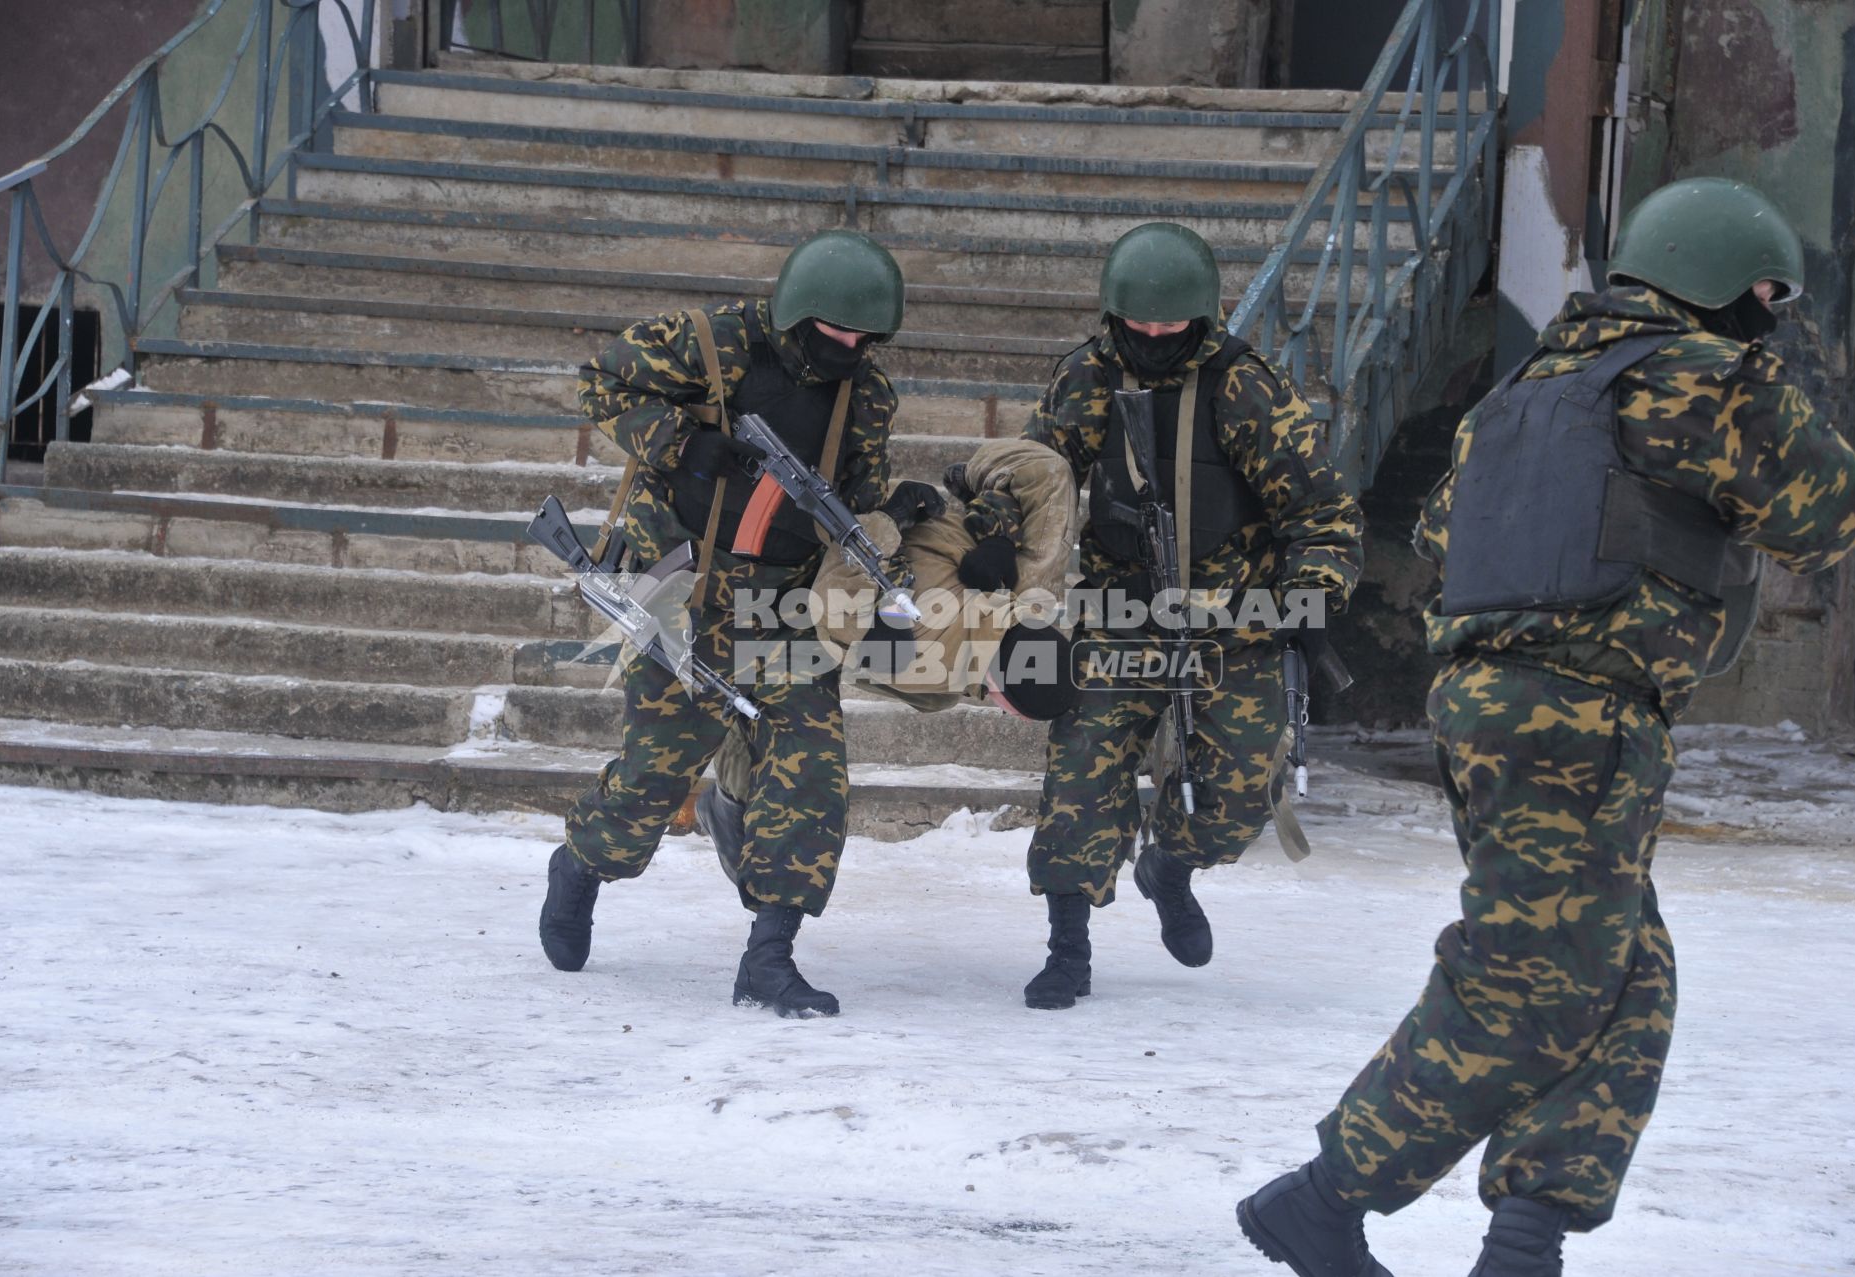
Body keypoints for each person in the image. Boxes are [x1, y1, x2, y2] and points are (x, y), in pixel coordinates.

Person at [1235, 178, 1855, 1277]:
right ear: (1716, 279)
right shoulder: (1710, 378)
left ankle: (1525, 1238)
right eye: (1768, 294)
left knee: (1625, 972)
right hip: (1575, 714)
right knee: (1529, 989)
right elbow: (1835, 512)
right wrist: (1776, 386)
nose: (1773, 314)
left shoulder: (1526, 393)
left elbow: (1446, 529)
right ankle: (1323, 1195)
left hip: (1499, 705)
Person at [536, 229, 945, 1019]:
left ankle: (770, 955)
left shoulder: (869, 395)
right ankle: (584, 862)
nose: (848, 349)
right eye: (833, 334)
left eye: (864, 339)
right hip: (683, 594)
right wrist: (683, 444)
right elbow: (601, 383)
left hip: (783, 607)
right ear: (796, 313)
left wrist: (893, 514)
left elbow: (852, 502)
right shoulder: (709, 343)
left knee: (811, 771)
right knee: (655, 777)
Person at [1017, 221, 1365, 1010]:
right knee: (1081, 777)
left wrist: (1311, 597)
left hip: (1231, 622)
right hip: (1120, 615)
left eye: (1170, 329)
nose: (1152, 340)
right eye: (1137, 327)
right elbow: (1035, 485)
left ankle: (1168, 867)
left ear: (1202, 318)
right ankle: (1067, 946)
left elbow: (1323, 512)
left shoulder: (1248, 388)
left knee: (1243, 790)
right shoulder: (1085, 379)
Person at [694, 434, 1086, 876]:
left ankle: (726, 806)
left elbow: (834, 594)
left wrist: (890, 519)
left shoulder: (926, 657)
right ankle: (729, 806)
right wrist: (994, 521)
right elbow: (1045, 468)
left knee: (774, 704)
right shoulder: (1023, 594)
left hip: (812, 571)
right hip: (841, 488)